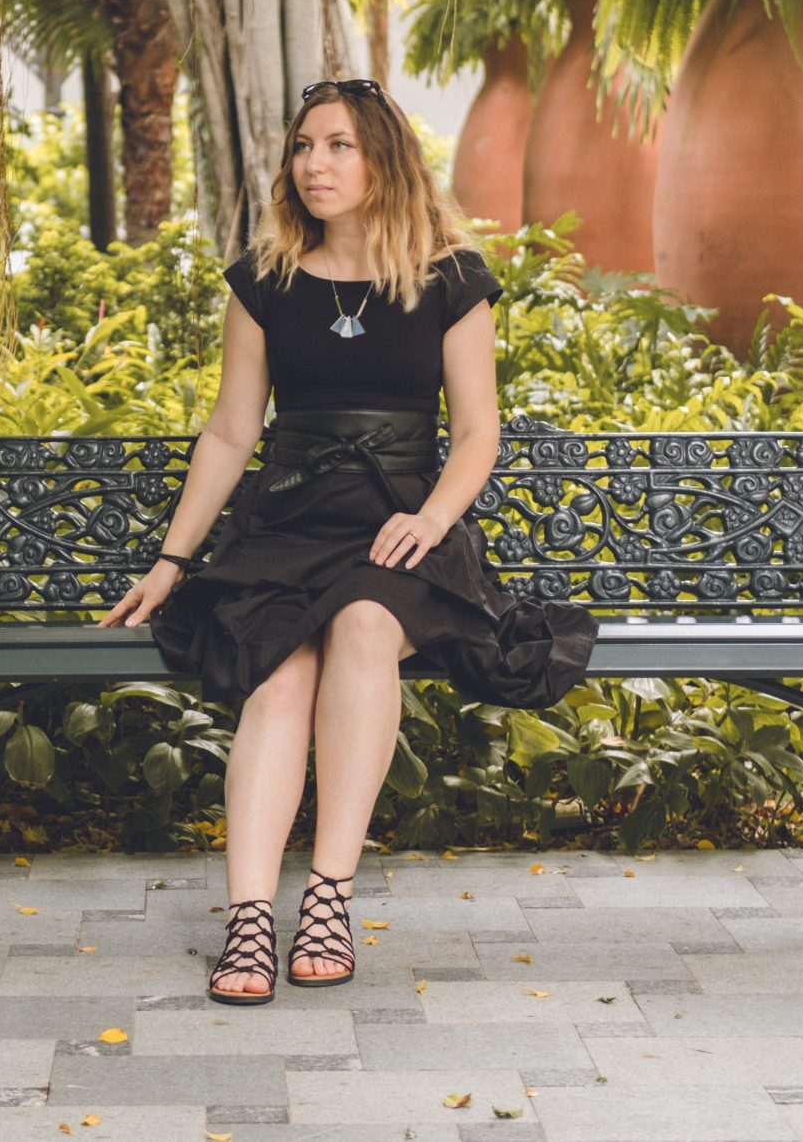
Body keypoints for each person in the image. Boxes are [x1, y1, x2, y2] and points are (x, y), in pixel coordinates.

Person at [97, 77, 600, 1006]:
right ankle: (251, 918)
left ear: (383, 159)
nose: (315, 164)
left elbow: (479, 431)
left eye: (337, 146)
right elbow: (229, 432)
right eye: (303, 147)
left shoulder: (451, 279)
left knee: (367, 625)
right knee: (283, 668)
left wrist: (434, 516)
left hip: (405, 523)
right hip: (291, 521)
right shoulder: (265, 284)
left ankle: (327, 895)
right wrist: (171, 562)